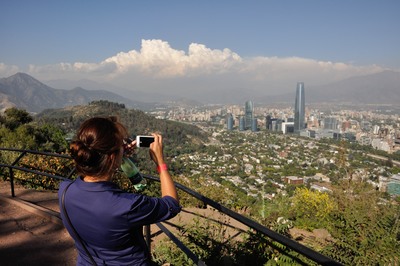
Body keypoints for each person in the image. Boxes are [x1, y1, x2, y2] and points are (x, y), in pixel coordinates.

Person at [58, 116, 181, 266]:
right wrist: (160, 162)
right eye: (121, 145)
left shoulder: (65, 190)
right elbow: (172, 205)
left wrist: (118, 156)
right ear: (111, 157)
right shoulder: (126, 206)